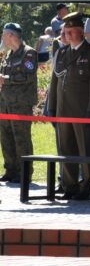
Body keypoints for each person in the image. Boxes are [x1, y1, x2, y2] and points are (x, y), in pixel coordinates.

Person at [45, 12, 90, 200]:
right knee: (66, 148)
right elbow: (55, 82)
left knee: (86, 149)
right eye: (66, 32)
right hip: (63, 110)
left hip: (84, 111)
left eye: (72, 32)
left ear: (81, 32)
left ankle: (86, 186)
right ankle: (69, 185)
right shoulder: (62, 52)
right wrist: (52, 108)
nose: (68, 35)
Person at [0, 23, 38, 184]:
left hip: (21, 104)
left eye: (4, 35)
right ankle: (10, 169)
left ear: (11, 35)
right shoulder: (8, 55)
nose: (2, 38)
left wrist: (5, 79)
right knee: (6, 137)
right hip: (5, 103)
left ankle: (24, 172)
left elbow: (28, 76)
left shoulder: (29, 53)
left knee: (21, 138)